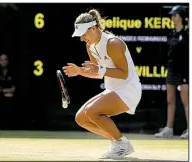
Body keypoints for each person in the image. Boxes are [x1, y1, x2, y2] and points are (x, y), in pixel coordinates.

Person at [63, 9, 142, 159]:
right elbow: (98, 73)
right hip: (113, 89)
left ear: (94, 28)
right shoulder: (90, 47)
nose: (82, 38)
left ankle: (121, 144)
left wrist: (99, 69)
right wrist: (80, 71)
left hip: (129, 89)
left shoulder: (113, 43)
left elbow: (123, 73)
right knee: (81, 118)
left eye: (84, 34)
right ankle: (117, 142)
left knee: (92, 112)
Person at [155, 5, 189, 139]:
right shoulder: (171, 33)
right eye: (172, 15)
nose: (172, 17)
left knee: (186, 100)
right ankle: (168, 128)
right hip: (172, 70)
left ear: (181, 17)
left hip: (185, 71)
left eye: (175, 15)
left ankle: (189, 129)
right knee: (170, 100)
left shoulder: (187, 34)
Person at [0, 54, 16, 129]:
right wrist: (4, 91)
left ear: (8, 61)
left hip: (10, 97)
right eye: (1, 60)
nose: (3, 61)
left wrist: (3, 90)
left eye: (5, 59)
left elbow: (14, 88)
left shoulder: (12, 72)